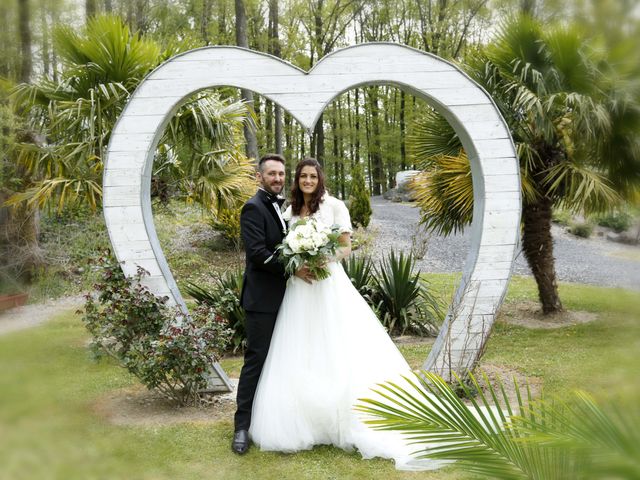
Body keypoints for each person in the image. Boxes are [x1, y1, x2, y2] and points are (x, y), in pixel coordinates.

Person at [247, 158, 447, 471]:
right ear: (297, 180)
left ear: (319, 178)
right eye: (303, 176)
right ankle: (309, 420)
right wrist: (300, 260)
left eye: (313, 176)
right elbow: (283, 247)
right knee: (302, 347)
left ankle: (347, 414)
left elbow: (344, 248)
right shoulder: (289, 210)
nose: (308, 180)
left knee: (340, 345)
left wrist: (319, 259)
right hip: (299, 288)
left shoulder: (335, 206)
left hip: (327, 283)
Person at [232, 154, 314, 455]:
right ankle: (241, 427)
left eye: (281, 174)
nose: (277, 178)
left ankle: (277, 421)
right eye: (272, 174)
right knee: (256, 361)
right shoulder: (253, 208)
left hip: (289, 299)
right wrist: (294, 268)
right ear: (260, 177)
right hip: (262, 301)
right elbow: (257, 253)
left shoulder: (282, 207)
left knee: (284, 360)